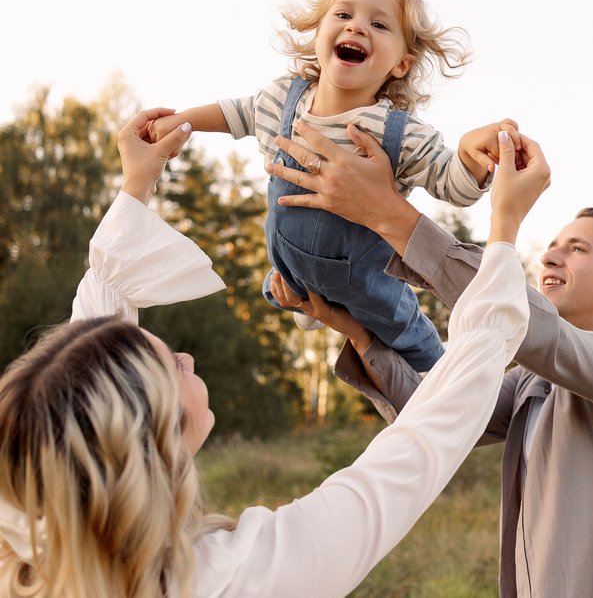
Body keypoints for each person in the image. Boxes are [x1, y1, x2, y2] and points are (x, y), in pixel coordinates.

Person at [0, 107, 550, 597]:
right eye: (169, 363)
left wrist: (137, 182)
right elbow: (421, 443)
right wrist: (503, 231)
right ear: (146, 444)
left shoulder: (29, 538)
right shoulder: (236, 579)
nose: (187, 358)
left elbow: (83, 367)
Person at [266, 123, 593, 596]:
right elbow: (434, 404)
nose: (550, 258)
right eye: (551, 247)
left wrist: (389, 216)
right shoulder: (533, 381)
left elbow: (531, 327)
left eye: (577, 249)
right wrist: (357, 333)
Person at [148, 0, 518, 372]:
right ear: (317, 32)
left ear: (401, 64)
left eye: (379, 24)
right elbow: (233, 113)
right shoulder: (282, 101)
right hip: (291, 262)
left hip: (367, 281)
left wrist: (470, 155)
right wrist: (181, 122)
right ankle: (301, 292)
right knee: (285, 275)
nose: (357, 27)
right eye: (343, 15)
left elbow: (455, 187)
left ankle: (451, 382)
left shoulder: (398, 132)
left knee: (408, 335)